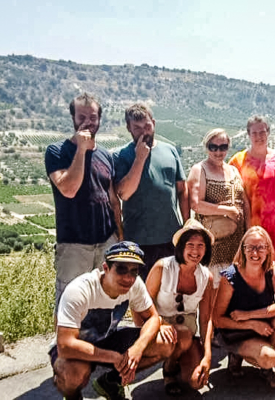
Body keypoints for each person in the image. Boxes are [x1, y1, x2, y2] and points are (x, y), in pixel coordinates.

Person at [49, 241, 171, 400]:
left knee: (165, 343)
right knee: (74, 372)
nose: (128, 277)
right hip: (77, 345)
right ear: (105, 268)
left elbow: (153, 318)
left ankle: (111, 383)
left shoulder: (135, 284)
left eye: (134, 271)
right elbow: (65, 345)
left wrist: (137, 349)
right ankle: (72, 395)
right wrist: (114, 357)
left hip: (108, 339)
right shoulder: (79, 290)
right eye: (121, 269)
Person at [45, 93, 122, 312]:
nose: (87, 121)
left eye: (93, 117)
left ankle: (96, 344)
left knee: (102, 300)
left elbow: (113, 200)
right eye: (82, 116)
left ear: (100, 119)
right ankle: (62, 347)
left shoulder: (106, 155)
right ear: (73, 118)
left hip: (106, 241)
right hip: (73, 244)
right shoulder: (57, 151)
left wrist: (119, 236)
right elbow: (68, 189)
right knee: (69, 302)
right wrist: (81, 149)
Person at [113, 103, 189, 280]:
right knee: (139, 297)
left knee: (168, 293)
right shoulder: (121, 155)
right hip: (137, 240)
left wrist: (187, 226)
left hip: (170, 238)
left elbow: (182, 190)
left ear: (153, 122)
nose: (143, 132)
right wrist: (140, 158)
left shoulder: (170, 150)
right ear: (128, 128)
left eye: (147, 126)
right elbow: (124, 193)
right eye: (137, 128)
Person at [213, 226, 275, 388]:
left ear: (268, 249)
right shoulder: (230, 276)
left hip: (262, 325)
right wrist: (251, 323)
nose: (255, 253)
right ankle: (239, 354)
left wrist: (248, 315)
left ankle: (265, 368)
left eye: (260, 247)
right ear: (242, 249)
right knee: (269, 358)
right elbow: (217, 319)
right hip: (236, 332)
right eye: (250, 247)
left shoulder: (271, 268)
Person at [145, 219, 215, 395]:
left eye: (200, 245)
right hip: (158, 326)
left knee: (196, 382)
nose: (195, 250)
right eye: (190, 244)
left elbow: (206, 319)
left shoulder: (206, 277)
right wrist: (159, 323)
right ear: (181, 247)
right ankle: (169, 370)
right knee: (182, 336)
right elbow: (142, 304)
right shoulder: (163, 267)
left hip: (187, 333)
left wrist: (207, 356)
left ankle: (177, 359)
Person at [187, 128, 250, 291]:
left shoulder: (234, 170)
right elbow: (196, 204)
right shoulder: (200, 170)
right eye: (213, 147)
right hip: (215, 247)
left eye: (222, 147)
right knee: (214, 291)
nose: (218, 151)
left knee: (233, 292)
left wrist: (248, 231)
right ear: (206, 147)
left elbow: (244, 202)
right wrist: (226, 210)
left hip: (236, 244)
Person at [229, 116, 275, 275]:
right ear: (248, 134)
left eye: (262, 132)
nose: (259, 136)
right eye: (254, 133)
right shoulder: (238, 161)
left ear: (268, 132)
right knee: (256, 273)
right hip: (252, 229)